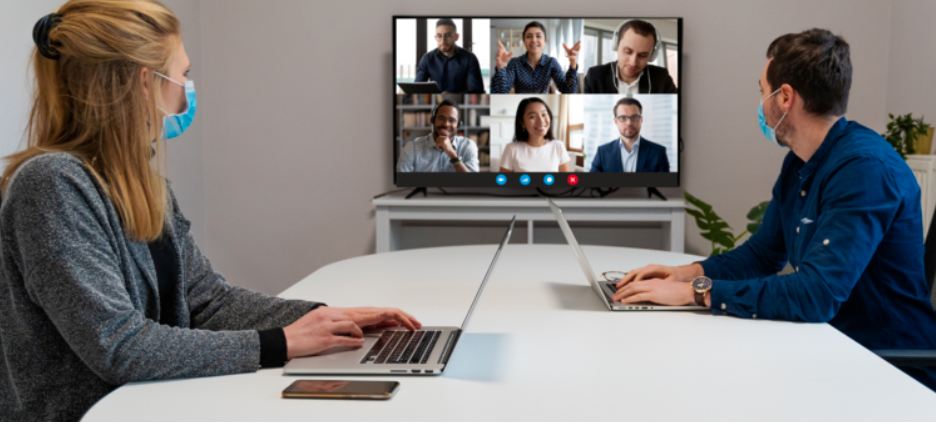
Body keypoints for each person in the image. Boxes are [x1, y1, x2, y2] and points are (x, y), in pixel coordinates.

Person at [0, 1, 422, 421]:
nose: (188, 87)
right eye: (183, 74)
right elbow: (118, 346)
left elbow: (208, 303)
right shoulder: (52, 185)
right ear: (145, 82)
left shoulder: (144, 185)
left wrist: (324, 317)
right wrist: (281, 342)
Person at [613, 29, 936, 390]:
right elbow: (762, 255)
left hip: (888, 369)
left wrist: (698, 292)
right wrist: (684, 274)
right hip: (830, 346)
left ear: (784, 97)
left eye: (761, 90)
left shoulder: (864, 170)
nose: (760, 102)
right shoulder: (800, 162)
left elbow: (817, 294)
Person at [583, 20, 677, 95]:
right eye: (628, 52)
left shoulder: (662, 77)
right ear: (616, 45)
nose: (633, 63)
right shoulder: (594, 76)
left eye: (643, 55)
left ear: (652, 56)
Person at [491, 21, 580, 94]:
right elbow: (501, 91)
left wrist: (572, 64)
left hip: (542, 106)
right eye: (529, 36)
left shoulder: (552, 62)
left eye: (538, 36)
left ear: (545, 41)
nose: (534, 40)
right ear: (524, 41)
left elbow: (568, 90)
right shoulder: (515, 63)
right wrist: (501, 66)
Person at [590, 98, 670, 173]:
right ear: (615, 121)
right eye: (623, 117)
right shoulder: (602, 152)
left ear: (641, 120)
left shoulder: (658, 152)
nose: (629, 123)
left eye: (634, 117)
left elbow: (664, 186)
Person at [397, 100, 479, 172]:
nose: (446, 124)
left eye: (452, 120)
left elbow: (473, 184)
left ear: (458, 125)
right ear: (433, 121)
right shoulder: (412, 148)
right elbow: (402, 183)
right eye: (441, 118)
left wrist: (452, 154)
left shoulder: (468, 146)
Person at [499, 97, 571, 173]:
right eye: (532, 116)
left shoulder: (558, 146)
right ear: (522, 123)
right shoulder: (511, 149)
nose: (541, 121)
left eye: (544, 114)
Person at [414, 18, 484, 94]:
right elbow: (418, 87)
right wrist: (408, 92)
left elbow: (478, 90)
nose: (443, 41)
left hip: (460, 103)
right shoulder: (427, 58)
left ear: (456, 37)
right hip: (435, 103)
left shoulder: (469, 58)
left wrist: (454, 96)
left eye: (447, 36)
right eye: (439, 36)